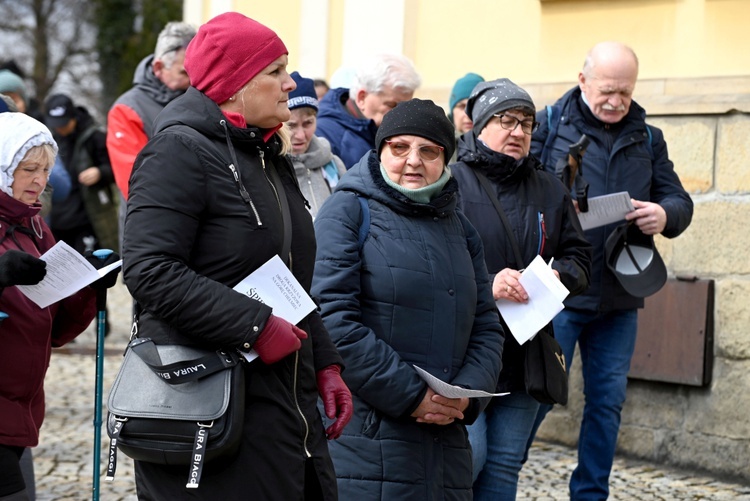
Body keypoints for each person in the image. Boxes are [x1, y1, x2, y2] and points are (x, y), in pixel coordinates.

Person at [121, 12, 352, 499]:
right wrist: (256, 326)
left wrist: (326, 362)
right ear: (234, 84)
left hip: (285, 402)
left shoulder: (268, 155)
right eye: (275, 71)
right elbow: (150, 271)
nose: (290, 83)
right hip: (208, 410)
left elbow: (288, 277)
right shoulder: (176, 153)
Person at [311, 98, 504, 499]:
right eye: (399, 148)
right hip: (366, 435)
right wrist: (412, 396)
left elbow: (486, 324)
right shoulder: (346, 211)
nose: (412, 161)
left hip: (444, 439)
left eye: (428, 151)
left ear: (445, 160)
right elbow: (332, 320)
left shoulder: (461, 229)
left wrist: (464, 398)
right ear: (381, 151)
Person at [530, 41, 694, 500]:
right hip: (558, 291)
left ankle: (590, 495)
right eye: (607, 90)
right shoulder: (547, 125)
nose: (616, 101)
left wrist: (664, 215)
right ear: (583, 81)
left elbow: (679, 201)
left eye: (625, 92)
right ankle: (503, 479)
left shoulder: (648, 137)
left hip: (620, 295)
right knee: (538, 397)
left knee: (606, 405)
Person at [450, 78, 592, 500]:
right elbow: (431, 262)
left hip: (526, 349)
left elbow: (580, 258)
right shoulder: (451, 181)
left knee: (506, 462)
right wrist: (488, 283)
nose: (518, 132)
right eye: (506, 121)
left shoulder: (549, 187)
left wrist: (552, 280)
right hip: (466, 350)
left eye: (527, 124)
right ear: (478, 125)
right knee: (467, 457)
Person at [0, 112, 118, 500]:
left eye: (46, 169)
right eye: (28, 169)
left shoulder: (34, 226)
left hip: (23, 405)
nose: (39, 180)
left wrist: (89, 283)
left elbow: (57, 329)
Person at [106, 21, 196, 246]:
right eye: (184, 72)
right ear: (158, 68)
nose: (193, 80)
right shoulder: (126, 110)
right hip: (150, 234)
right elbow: (136, 182)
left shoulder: (199, 99)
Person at [316, 53, 421, 169]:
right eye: (391, 105)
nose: (400, 114)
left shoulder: (391, 130)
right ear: (362, 98)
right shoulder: (323, 135)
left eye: (405, 107)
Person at [44, 93, 118, 253]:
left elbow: (116, 167)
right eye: (56, 125)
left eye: (64, 124)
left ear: (74, 117)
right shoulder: (47, 138)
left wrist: (100, 172)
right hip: (57, 219)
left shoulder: (95, 136)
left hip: (88, 217)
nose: (60, 128)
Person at [286, 71, 346, 217]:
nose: (300, 135)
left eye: (308, 123)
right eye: (291, 125)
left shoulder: (333, 165)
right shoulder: (269, 167)